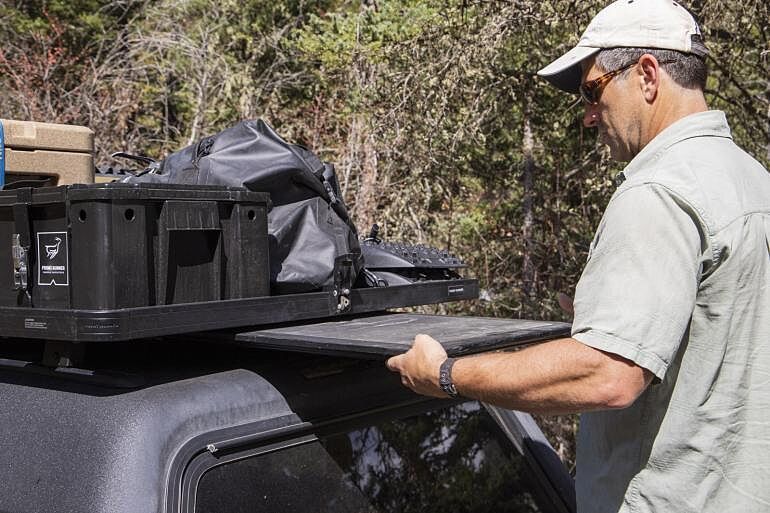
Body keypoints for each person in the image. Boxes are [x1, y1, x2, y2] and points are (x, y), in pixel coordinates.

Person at [386, 1, 770, 512]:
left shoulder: (657, 192)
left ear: (648, 75)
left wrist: (446, 375)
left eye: (593, 90)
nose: (590, 116)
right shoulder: (750, 179)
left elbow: (609, 375)